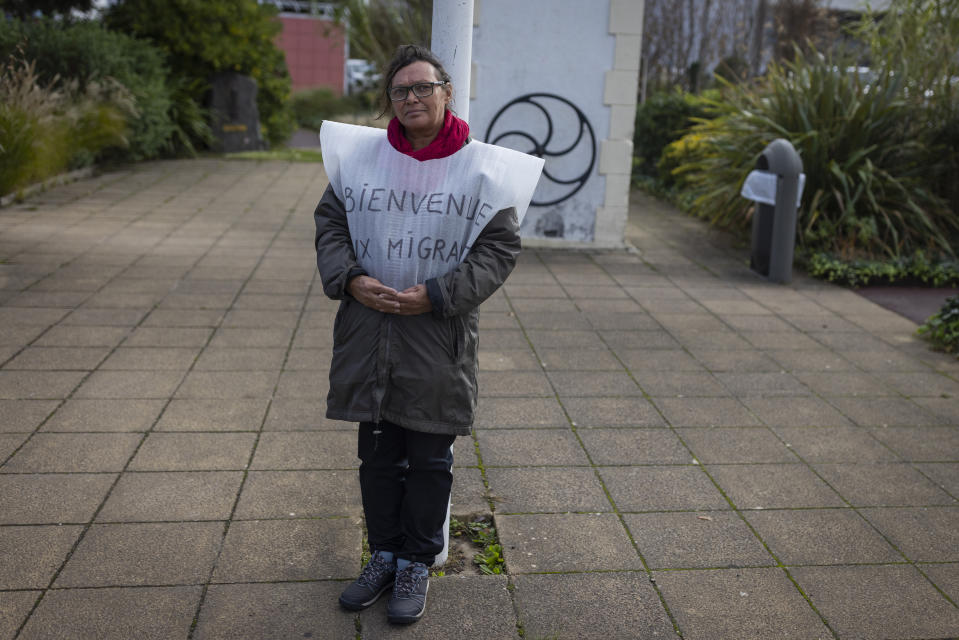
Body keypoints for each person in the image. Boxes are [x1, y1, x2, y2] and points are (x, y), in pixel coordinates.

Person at [313, 44, 542, 625]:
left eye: (422, 88)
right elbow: (332, 222)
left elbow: (498, 250)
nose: (411, 98)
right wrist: (350, 279)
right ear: (388, 100)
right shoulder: (362, 161)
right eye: (400, 91)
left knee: (431, 454)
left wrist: (437, 295)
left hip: (436, 337)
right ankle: (383, 554)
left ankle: (417, 561)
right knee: (378, 453)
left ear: (446, 92)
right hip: (369, 329)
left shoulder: (483, 169)